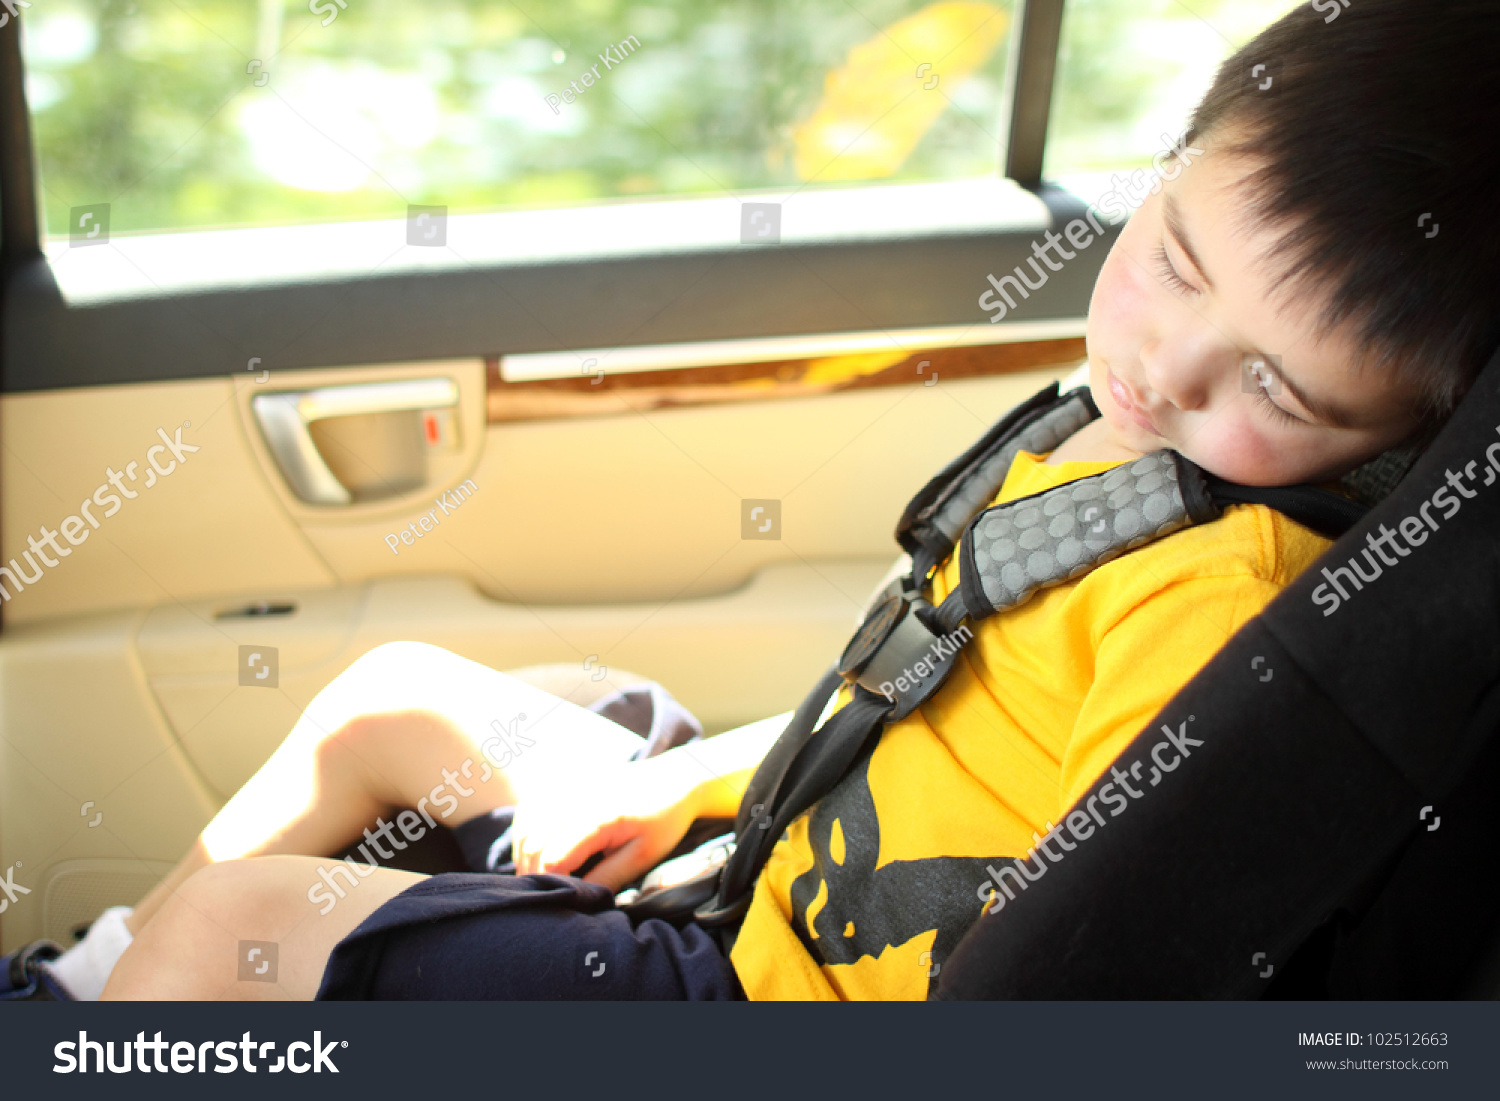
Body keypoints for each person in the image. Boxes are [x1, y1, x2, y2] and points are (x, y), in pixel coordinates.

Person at [8, 0, 1498, 1001]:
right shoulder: (1107, 450)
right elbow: (895, 709)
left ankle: (149, 987)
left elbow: (1082, 944)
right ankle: (100, 988)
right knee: (389, 700)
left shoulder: (1208, 611)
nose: (1167, 367)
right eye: (1172, 256)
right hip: (747, 859)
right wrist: (688, 786)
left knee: (243, 924)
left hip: (752, 993)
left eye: (1277, 392)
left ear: (1392, 451)